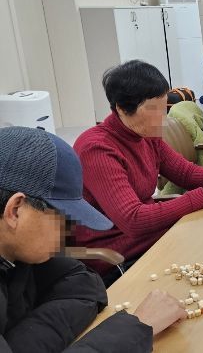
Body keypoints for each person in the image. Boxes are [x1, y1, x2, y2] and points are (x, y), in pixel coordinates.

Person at [0, 126, 187, 351]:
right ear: (15, 211)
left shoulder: (18, 250)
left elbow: (85, 285)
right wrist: (135, 328)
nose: (69, 232)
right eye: (65, 219)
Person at [74, 60, 203, 284]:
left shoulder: (146, 133)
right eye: (153, 110)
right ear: (121, 108)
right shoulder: (97, 149)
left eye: (164, 108)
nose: (163, 117)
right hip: (118, 253)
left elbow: (184, 173)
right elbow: (133, 220)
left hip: (151, 236)